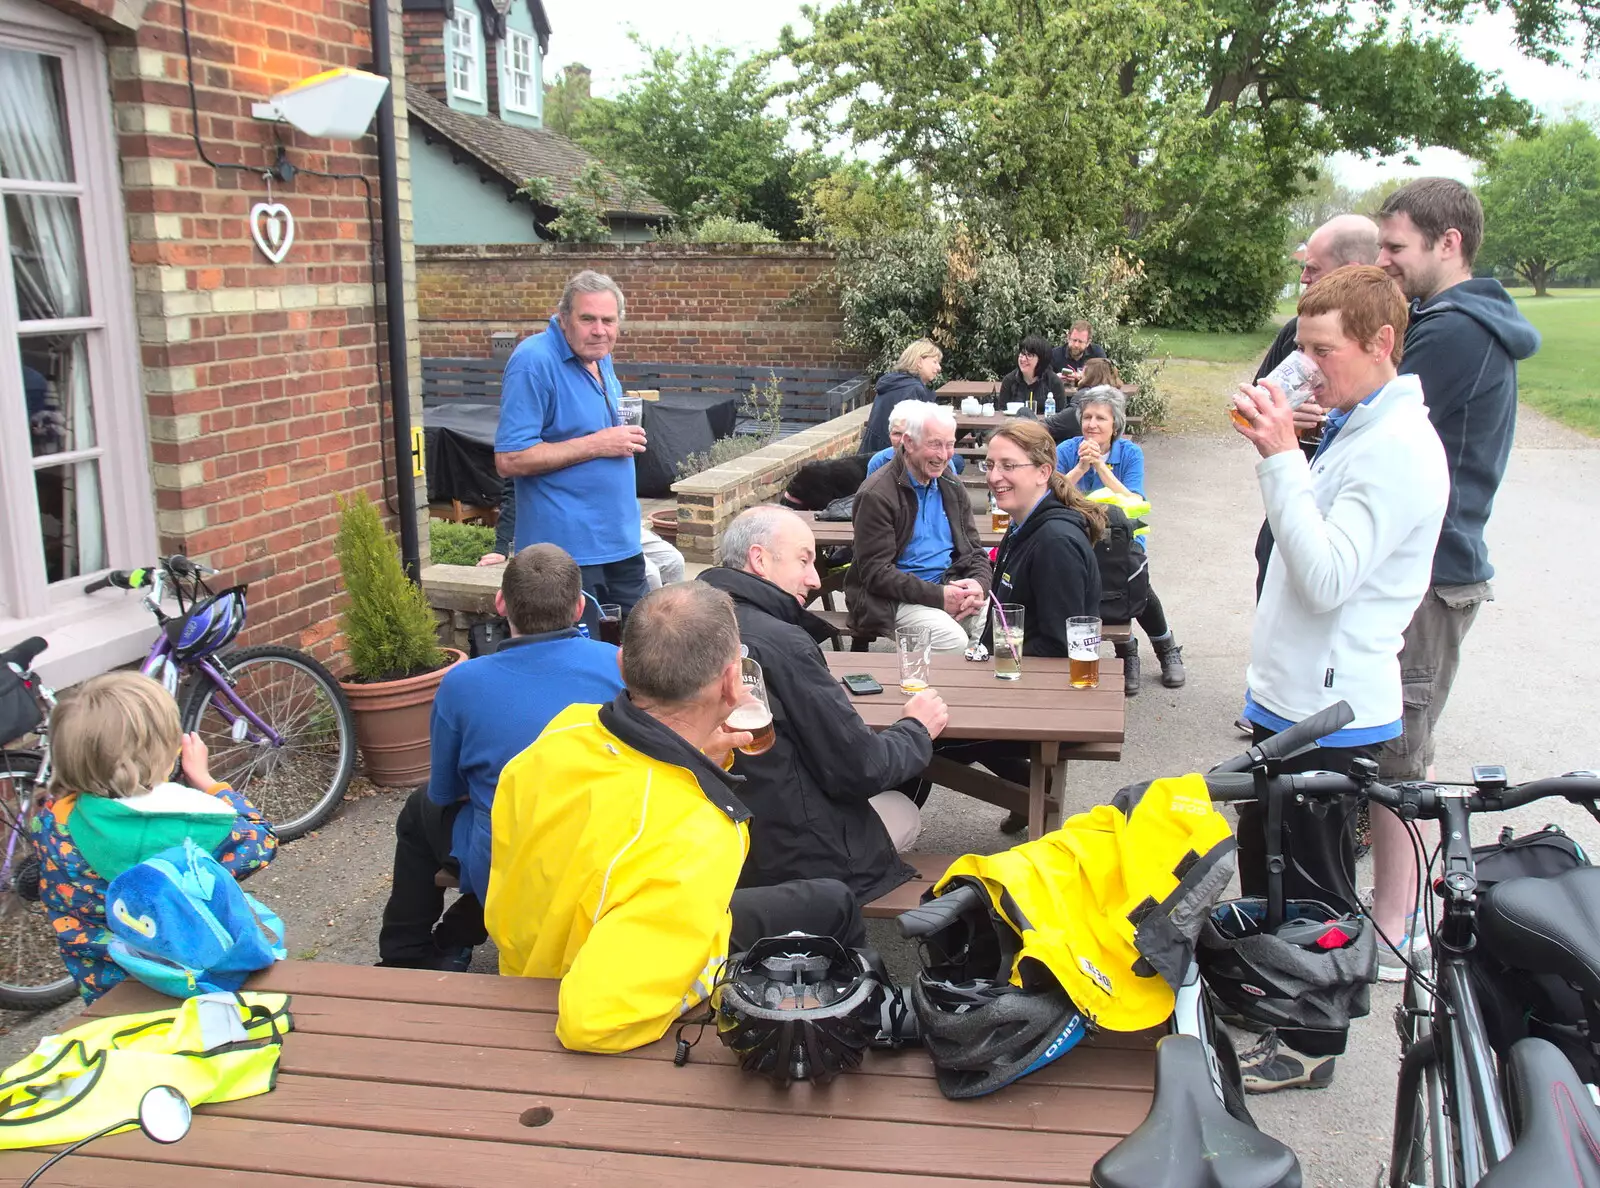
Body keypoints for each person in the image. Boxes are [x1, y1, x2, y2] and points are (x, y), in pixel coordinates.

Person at [1228, 265, 1449, 1092]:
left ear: (1382, 342)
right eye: (1304, 347)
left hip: (1331, 711)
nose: (1308, 367)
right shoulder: (1360, 422)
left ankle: (1309, 1047)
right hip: (1291, 696)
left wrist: (1284, 458)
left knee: (1316, 892)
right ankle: (1271, 998)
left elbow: (1325, 577)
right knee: (1275, 867)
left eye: (1324, 350)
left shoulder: (1397, 449)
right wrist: (1294, 450)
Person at [484, 582, 868, 1054]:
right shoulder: (696, 832)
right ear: (733, 683)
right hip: (586, 972)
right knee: (833, 902)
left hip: (532, 953)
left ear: (621, 663)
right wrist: (704, 971)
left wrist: (697, 760)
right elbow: (592, 1021)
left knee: (830, 899)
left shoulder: (564, 729)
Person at [1370, 178, 1540, 967]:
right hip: (1440, 569)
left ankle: (1397, 921)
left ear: (1450, 243)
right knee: (1411, 742)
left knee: (1397, 755)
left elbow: (1373, 426)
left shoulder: (1453, 332)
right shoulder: (1455, 321)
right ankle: (1408, 904)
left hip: (1432, 574)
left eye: (1396, 248)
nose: (1385, 262)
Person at [376, 544, 623, 970]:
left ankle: (409, 955)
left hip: (505, 865)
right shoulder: (620, 666)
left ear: (500, 602)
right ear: (581, 606)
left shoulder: (462, 683)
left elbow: (446, 790)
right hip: (602, 853)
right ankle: (461, 928)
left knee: (421, 810)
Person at [701, 507, 949, 903]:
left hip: (707, 837)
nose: (816, 579)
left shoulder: (685, 619)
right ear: (759, 559)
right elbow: (860, 768)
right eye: (804, 559)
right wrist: (916, 729)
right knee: (904, 807)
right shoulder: (781, 642)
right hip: (784, 857)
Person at [31, 672, 277, 1003]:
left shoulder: (52, 821)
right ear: (158, 754)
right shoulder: (190, 821)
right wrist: (208, 783)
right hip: (195, 984)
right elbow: (260, 840)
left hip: (110, 992)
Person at [494, 270, 649, 615]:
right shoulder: (533, 362)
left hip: (620, 544)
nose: (599, 330)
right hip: (568, 556)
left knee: (638, 660)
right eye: (588, 319)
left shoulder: (599, 355)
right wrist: (598, 443)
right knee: (583, 659)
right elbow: (511, 459)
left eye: (608, 320)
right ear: (564, 318)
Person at [1250, 215, 1382, 605]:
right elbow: (1262, 401)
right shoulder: (1296, 329)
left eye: (1313, 268)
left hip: (1339, 522)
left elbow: (1328, 584)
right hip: (1293, 500)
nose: (1304, 278)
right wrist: (1286, 419)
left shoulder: (1392, 354)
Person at [1056, 387, 1185, 694]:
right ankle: (1126, 652)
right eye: (1087, 417)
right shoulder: (1065, 449)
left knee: (1133, 582)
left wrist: (1100, 467)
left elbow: (1134, 501)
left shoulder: (1129, 454)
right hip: (1079, 538)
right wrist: (1080, 469)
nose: (1092, 424)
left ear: (1116, 425)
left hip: (1123, 536)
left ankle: (1165, 647)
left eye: (1101, 418)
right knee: (1088, 584)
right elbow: (1050, 492)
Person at [848, 404, 993, 653]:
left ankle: (968, 686)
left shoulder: (950, 483)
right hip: (893, 599)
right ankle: (939, 687)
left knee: (1002, 623)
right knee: (953, 642)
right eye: (935, 444)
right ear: (909, 442)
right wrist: (939, 596)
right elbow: (875, 573)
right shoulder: (877, 494)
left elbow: (974, 551)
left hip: (948, 583)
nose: (945, 455)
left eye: (950, 444)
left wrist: (979, 585)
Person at [985, 420, 1106, 657]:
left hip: (1034, 685)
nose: (993, 476)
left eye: (1008, 466)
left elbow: (1060, 646)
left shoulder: (1056, 543)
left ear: (1043, 472)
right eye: (990, 465)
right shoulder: (1023, 522)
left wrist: (996, 655)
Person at [477, 484, 686, 590]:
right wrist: (501, 546)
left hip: (617, 520)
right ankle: (649, 639)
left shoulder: (605, 405)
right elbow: (513, 493)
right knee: (649, 574)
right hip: (580, 526)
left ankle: (673, 626)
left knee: (673, 561)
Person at [861, 339, 942, 455]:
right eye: (935, 362)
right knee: (957, 461)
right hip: (892, 456)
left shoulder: (892, 382)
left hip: (870, 452)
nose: (939, 368)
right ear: (919, 362)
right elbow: (921, 434)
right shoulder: (914, 390)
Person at [865, 400, 965, 478]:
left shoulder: (942, 465)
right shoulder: (879, 462)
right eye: (896, 434)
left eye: (907, 435)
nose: (902, 441)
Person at [998, 335, 1067, 416]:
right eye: (1022, 354)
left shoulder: (1054, 382)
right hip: (1016, 426)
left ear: (1041, 359)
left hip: (1044, 427)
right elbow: (1001, 413)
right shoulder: (1009, 381)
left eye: (1029, 356)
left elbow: (1061, 416)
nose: (1023, 359)